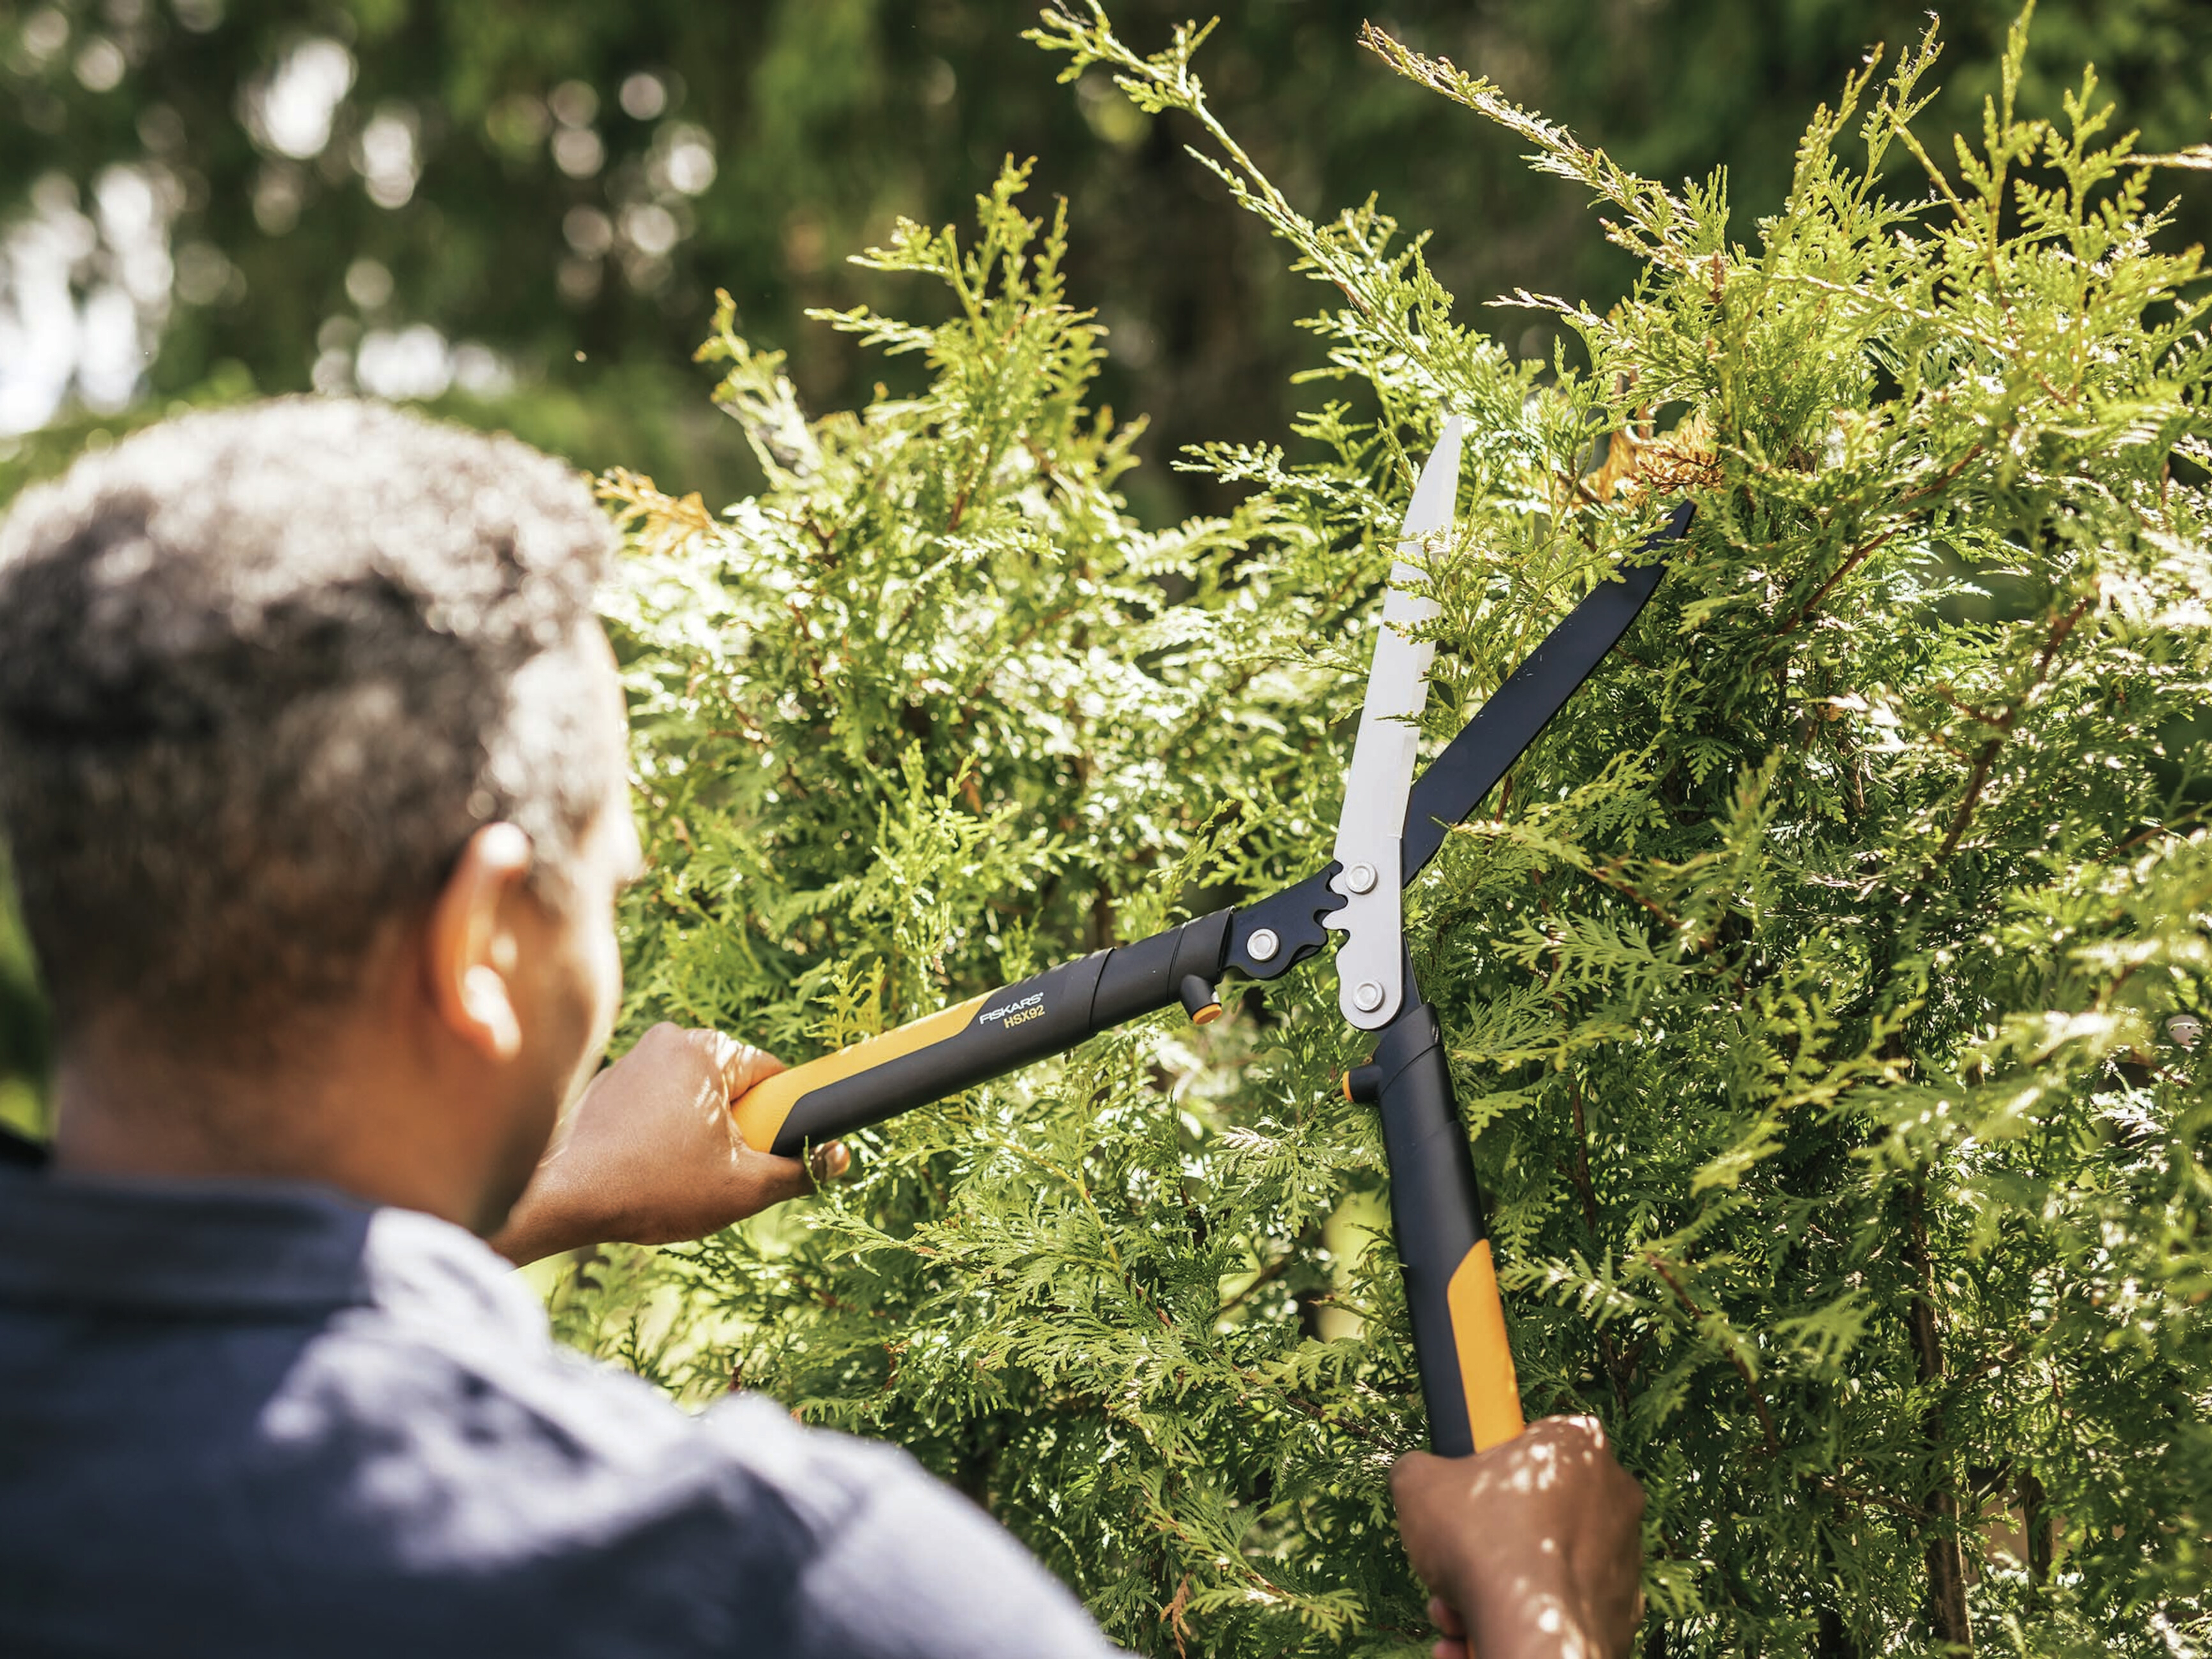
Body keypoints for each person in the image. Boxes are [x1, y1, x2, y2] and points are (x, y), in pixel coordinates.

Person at [0, 400, 1646, 1659]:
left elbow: (227, 1318)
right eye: (609, 888)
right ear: (488, 938)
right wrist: (1547, 1630)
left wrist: (544, 1196)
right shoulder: (782, 1590)